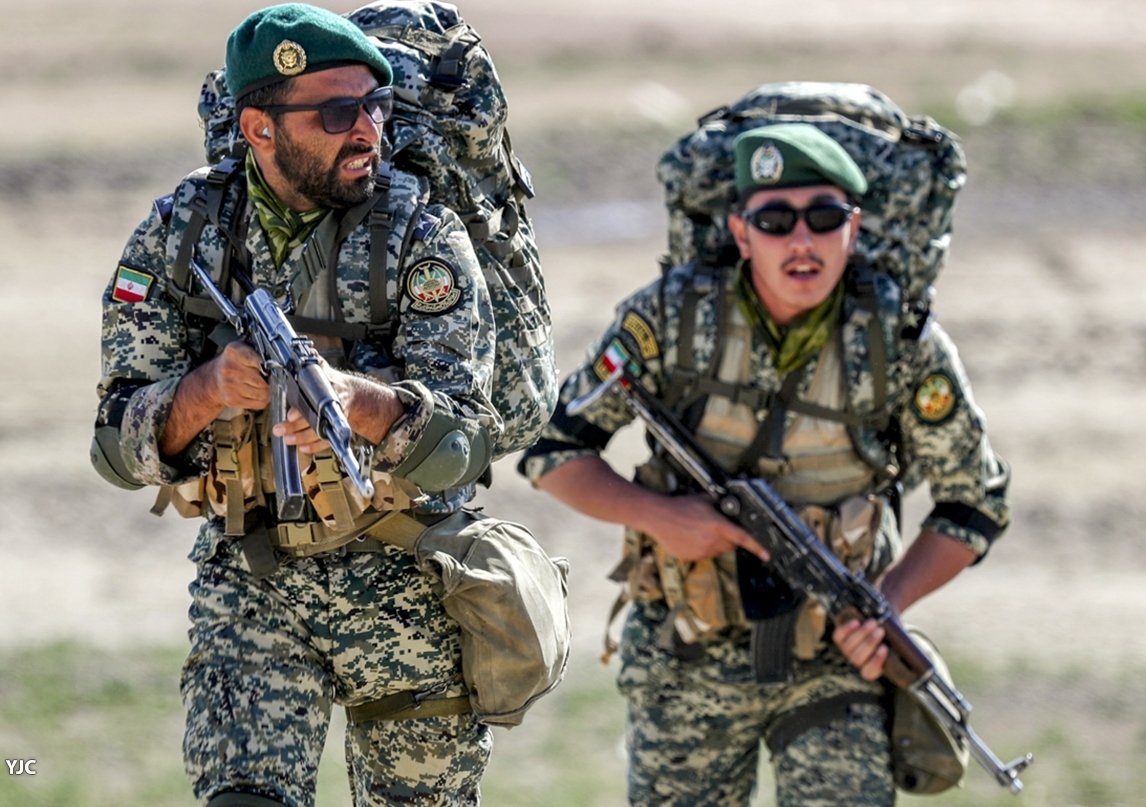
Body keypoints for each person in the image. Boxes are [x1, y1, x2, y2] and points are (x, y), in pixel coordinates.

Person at [520, 123, 1010, 806]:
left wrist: (885, 609)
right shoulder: (670, 318)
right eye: (776, 221)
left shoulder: (899, 342)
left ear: (855, 227)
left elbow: (975, 502)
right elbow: (551, 453)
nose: (802, 241)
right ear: (741, 231)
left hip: (836, 664)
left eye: (825, 217)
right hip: (686, 652)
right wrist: (665, 517)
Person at [92, 5, 505, 806]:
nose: (367, 133)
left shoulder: (420, 236)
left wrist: (363, 404)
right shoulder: (186, 232)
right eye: (338, 112)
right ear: (259, 127)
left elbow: (468, 445)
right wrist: (204, 390)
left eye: (376, 107)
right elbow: (114, 446)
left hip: (405, 591)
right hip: (251, 583)